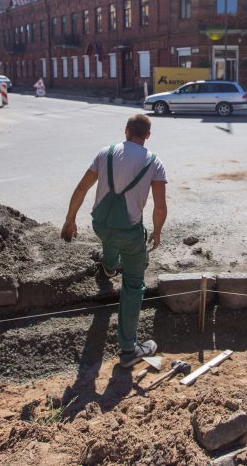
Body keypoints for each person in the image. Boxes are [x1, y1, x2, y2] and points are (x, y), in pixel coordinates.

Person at [61, 114, 168, 367]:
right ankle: (129, 351)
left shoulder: (105, 153)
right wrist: (157, 231)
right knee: (133, 285)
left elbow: (81, 189)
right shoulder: (154, 163)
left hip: (100, 224)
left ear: (126, 131)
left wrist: (70, 220)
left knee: (110, 236)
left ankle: (108, 267)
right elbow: (160, 208)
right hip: (129, 232)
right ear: (148, 136)